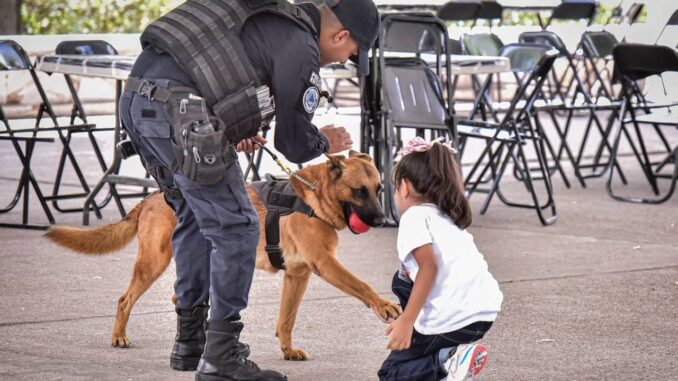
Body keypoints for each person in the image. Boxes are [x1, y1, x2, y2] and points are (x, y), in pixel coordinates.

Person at [118, 0, 381, 380]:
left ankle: (190, 343)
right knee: (238, 226)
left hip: (138, 101)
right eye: (348, 55)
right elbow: (292, 142)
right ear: (341, 35)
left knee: (192, 212)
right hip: (182, 112)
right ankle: (223, 356)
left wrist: (229, 125)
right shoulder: (302, 45)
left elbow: (213, 71)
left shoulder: (273, 19)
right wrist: (324, 141)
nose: (341, 61)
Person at [375, 137, 504, 381]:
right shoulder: (446, 216)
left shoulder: (414, 216)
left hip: (452, 318)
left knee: (391, 373)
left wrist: (407, 321)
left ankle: (448, 361)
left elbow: (429, 268)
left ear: (404, 187)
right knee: (402, 277)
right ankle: (451, 363)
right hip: (483, 313)